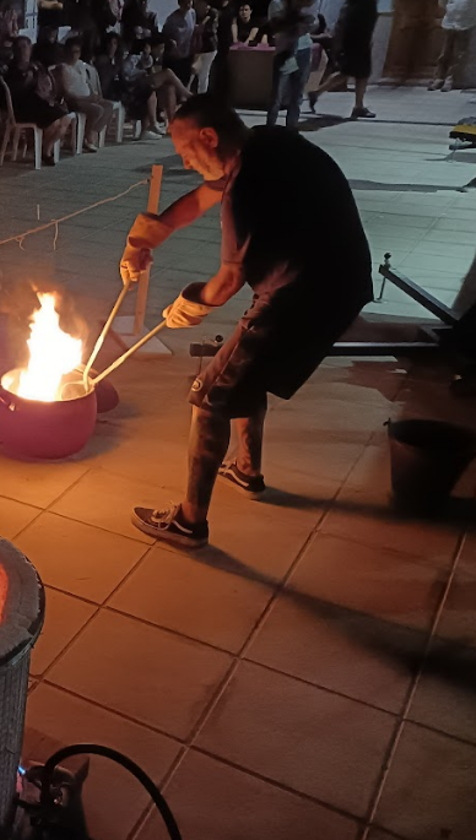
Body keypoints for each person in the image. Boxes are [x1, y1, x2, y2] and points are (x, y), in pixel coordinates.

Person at [119, 96, 372, 548]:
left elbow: (228, 280)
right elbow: (203, 195)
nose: (184, 161)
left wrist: (189, 303)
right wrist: (154, 230)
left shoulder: (244, 190)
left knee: (209, 396)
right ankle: (247, 469)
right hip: (342, 278)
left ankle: (190, 522)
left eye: (185, 151)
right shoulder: (269, 142)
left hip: (302, 292)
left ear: (209, 138)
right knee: (244, 368)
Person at [5, 36, 74, 165]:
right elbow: (15, 91)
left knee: (66, 119)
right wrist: (27, 79)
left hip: (41, 102)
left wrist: (49, 94)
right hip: (25, 106)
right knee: (54, 123)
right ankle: (44, 151)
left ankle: (45, 148)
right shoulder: (12, 68)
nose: (22, 51)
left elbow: (46, 81)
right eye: (19, 47)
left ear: (30, 49)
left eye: (25, 47)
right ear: (14, 50)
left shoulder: (36, 65)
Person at [307, 0, 377, 118]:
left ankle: (317, 93)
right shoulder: (355, 5)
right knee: (351, 72)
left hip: (361, 40)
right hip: (354, 41)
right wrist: (338, 43)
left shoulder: (365, 4)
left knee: (356, 73)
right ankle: (357, 106)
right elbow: (343, 23)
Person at [54, 39, 113, 152]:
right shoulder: (63, 68)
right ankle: (87, 138)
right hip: (74, 100)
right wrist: (86, 98)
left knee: (108, 106)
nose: (73, 55)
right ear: (66, 52)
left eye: (76, 52)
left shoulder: (80, 65)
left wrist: (93, 95)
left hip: (87, 96)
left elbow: (86, 82)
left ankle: (91, 133)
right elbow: (66, 92)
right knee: (97, 110)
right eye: (71, 52)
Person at [265, 0, 315, 128]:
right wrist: (295, 17)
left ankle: (291, 128)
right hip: (284, 51)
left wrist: (302, 21)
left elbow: (312, 22)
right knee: (277, 95)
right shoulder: (277, 3)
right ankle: (270, 127)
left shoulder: (304, 3)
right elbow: (275, 25)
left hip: (304, 49)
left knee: (297, 94)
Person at [431, 0, 475, 91]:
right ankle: (439, 78)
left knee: (458, 55)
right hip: (450, 22)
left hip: (466, 23)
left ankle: (450, 79)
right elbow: (442, 3)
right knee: (445, 52)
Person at [162, 0, 198, 85]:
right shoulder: (172, 19)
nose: (188, 5)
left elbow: (193, 31)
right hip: (174, 58)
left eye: (190, 2)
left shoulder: (192, 13)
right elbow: (164, 35)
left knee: (185, 84)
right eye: (185, 2)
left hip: (186, 56)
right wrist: (170, 41)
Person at [191, 2, 219, 94]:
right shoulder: (192, 12)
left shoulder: (212, 13)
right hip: (195, 47)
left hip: (209, 48)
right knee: (192, 73)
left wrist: (199, 28)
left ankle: (201, 97)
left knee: (203, 74)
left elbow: (210, 30)